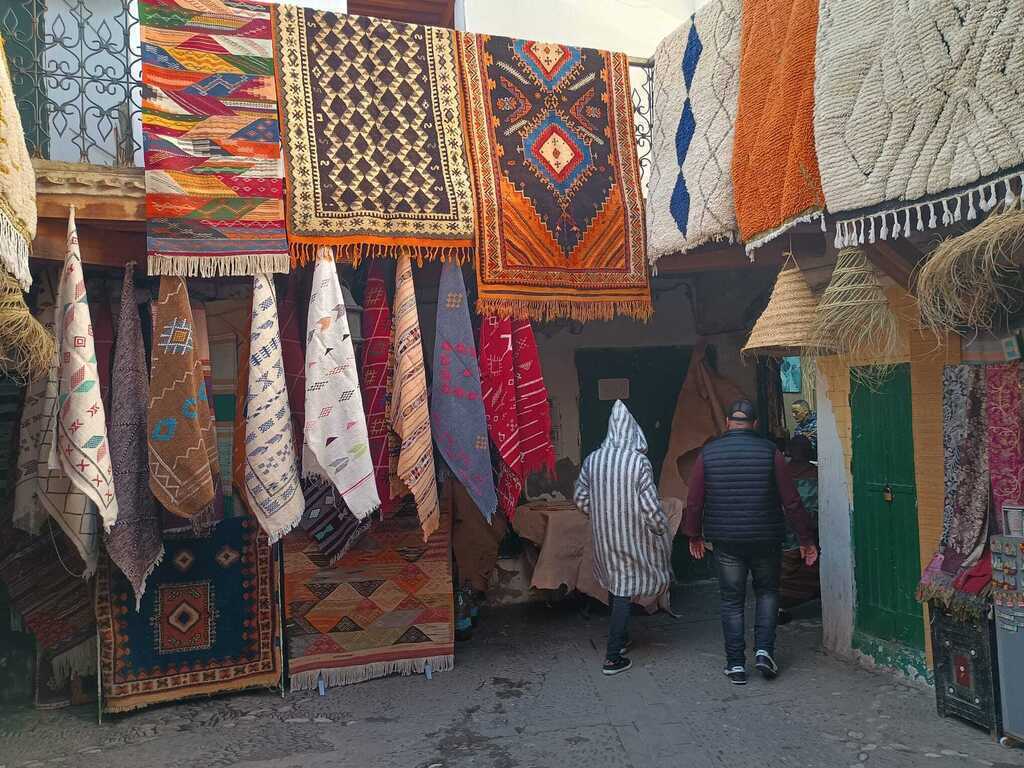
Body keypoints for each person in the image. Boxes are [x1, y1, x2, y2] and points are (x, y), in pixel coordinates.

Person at [684, 399, 817, 685]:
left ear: (728, 423)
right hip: (766, 538)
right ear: (755, 424)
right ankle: (764, 651)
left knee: (732, 600)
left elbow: (694, 501)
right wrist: (806, 538)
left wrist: (693, 534)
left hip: (727, 540)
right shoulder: (770, 452)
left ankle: (735, 665)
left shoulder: (709, 454)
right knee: (768, 593)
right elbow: (791, 501)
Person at [574, 400, 671, 676]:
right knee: (624, 588)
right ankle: (612, 656)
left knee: (617, 586)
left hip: (605, 537)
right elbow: (651, 508)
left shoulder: (593, 459)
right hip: (632, 537)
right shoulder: (638, 462)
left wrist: (602, 514)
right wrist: (660, 530)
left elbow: (580, 497)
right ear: (632, 431)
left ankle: (623, 636)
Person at [778, 435, 820, 624]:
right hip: (810, 527)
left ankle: (779, 606)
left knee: (784, 567)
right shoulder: (817, 473)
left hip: (786, 528)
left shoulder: (781, 473)